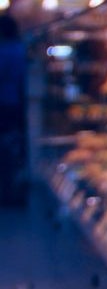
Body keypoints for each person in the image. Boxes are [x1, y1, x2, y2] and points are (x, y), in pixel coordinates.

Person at [0, 12, 27, 208]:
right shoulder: (19, 48)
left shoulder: (4, 50)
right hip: (15, 103)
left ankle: (6, 189)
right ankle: (10, 187)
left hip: (5, 104)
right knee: (12, 145)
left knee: (6, 147)